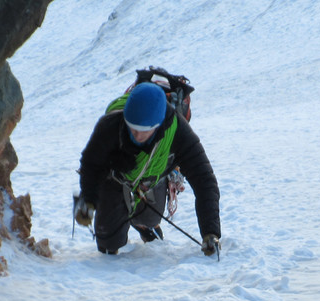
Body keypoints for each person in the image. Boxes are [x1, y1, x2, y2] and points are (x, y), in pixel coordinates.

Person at [74, 82, 220, 256]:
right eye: (132, 128)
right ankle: (121, 218)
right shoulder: (111, 124)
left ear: (158, 126)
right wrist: (89, 199)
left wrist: (210, 232)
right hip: (116, 177)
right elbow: (92, 164)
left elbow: (204, 180)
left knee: (149, 218)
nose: (137, 135)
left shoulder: (178, 133)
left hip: (151, 177)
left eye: (144, 131)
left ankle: (143, 223)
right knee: (108, 244)